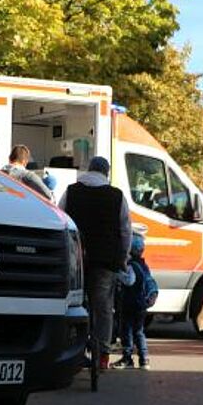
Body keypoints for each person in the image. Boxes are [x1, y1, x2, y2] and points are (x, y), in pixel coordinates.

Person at [60, 156, 132, 370]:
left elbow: (61, 219)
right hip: (105, 260)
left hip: (77, 260)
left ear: (89, 169)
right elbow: (125, 230)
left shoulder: (71, 192)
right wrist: (124, 258)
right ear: (106, 173)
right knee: (103, 308)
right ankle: (102, 355)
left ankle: (74, 350)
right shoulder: (117, 196)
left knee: (76, 304)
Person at [112, 233, 159, 370]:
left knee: (126, 331)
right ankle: (144, 359)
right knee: (139, 332)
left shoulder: (131, 266)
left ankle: (127, 358)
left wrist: (118, 275)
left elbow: (129, 280)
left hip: (129, 304)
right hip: (141, 305)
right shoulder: (144, 266)